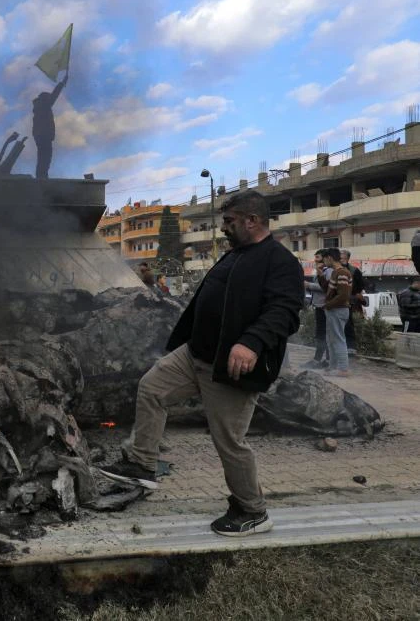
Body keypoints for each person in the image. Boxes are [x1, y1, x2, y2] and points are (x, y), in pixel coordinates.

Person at [99, 191, 303, 537]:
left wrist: (251, 343)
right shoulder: (236, 254)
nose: (223, 228)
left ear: (252, 220)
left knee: (229, 441)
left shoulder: (279, 261)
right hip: (195, 354)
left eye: (229, 221)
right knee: (152, 389)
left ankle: (253, 510)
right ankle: (142, 463)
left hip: (232, 368)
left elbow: (284, 310)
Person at [322, 247, 352, 377]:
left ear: (329, 258)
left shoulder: (342, 273)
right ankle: (333, 367)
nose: (324, 262)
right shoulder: (336, 272)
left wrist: (328, 305)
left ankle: (343, 369)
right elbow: (329, 290)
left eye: (324, 259)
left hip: (338, 310)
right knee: (332, 339)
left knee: (338, 339)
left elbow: (343, 296)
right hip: (334, 309)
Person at [32, 72, 67, 179]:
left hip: (41, 137)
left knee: (43, 158)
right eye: (48, 98)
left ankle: (41, 175)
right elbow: (54, 95)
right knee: (45, 157)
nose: (50, 99)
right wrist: (62, 83)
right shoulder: (44, 106)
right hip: (44, 137)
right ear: (44, 99)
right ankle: (42, 176)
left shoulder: (39, 108)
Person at [302, 250, 332, 368]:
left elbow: (327, 288)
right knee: (320, 334)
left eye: (318, 257)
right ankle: (318, 359)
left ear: (325, 258)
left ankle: (327, 360)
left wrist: (309, 285)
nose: (315, 260)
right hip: (319, 306)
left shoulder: (329, 271)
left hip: (325, 306)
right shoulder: (320, 271)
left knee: (325, 334)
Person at [340, 250, 365, 355]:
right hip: (336, 300)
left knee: (348, 324)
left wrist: (354, 296)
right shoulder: (333, 269)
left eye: (343, 257)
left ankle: (350, 348)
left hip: (348, 301)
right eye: (340, 257)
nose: (341, 259)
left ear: (347, 258)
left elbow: (360, 285)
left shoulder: (354, 270)